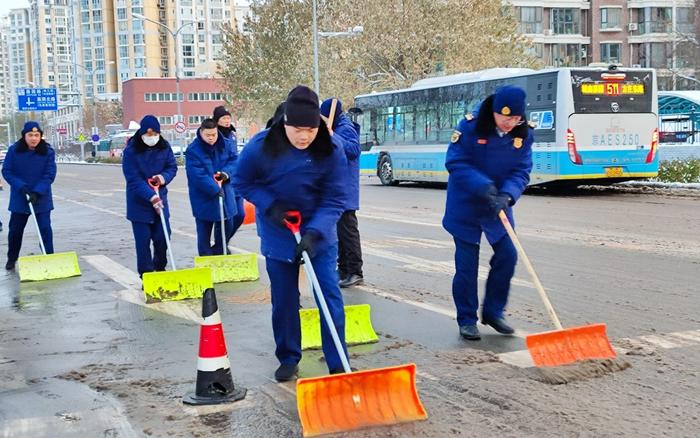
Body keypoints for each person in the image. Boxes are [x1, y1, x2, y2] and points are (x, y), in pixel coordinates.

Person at [234, 85, 349, 382]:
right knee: (284, 299)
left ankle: (339, 363)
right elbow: (243, 181)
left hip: (318, 234)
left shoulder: (331, 148)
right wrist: (271, 207)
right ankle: (288, 356)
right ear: (285, 123)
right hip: (278, 231)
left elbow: (336, 197)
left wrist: (315, 233)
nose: (304, 136)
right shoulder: (261, 147)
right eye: (297, 128)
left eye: (310, 129)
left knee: (329, 295)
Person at [442, 85, 533, 341]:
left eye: (516, 118)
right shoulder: (470, 127)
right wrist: (483, 187)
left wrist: (508, 194)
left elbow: (522, 169)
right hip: (467, 204)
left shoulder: (524, 134)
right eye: (506, 118)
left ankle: (493, 311)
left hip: (498, 205)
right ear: (494, 112)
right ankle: (467, 319)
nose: (510, 123)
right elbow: (456, 162)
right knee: (466, 266)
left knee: (508, 254)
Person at [122, 115, 178, 278]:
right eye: (148, 135)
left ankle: (160, 268)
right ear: (141, 134)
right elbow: (133, 179)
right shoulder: (131, 151)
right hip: (139, 204)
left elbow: (172, 167)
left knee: (163, 237)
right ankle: (146, 275)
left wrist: (163, 178)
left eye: (155, 134)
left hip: (160, 200)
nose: (151, 138)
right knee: (143, 242)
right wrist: (150, 196)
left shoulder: (164, 147)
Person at [320, 98, 364, 288]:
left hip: (345, 189)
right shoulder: (338, 127)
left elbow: (354, 150)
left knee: (348, 231)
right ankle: (344, 268)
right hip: (337, 188)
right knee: (340, 232)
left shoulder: (344, 128)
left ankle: (354, 270)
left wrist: (332, 136)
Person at [2, 121, 57, 270]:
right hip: (21, 197)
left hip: (41, 197)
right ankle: (12, 258)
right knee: (15, 230)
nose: (34, 138)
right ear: (24, 136)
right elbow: (7, 171)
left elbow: (50, 174)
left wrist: (38, 191)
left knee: (45, 229)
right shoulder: (14, 151)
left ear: (41, 136)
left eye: (37, 135)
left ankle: (49, 257)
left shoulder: (47, 151)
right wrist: (21, 186)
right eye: (30, 135)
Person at [186, 118, 242, 256]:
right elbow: (197, 175)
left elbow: (235, 160)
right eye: (208, 135)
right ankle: (206, 259)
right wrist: (214, 188)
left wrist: (225, 174)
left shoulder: (226, 144)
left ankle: (220, 252)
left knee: (226, 225)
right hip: (203, 196)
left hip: (225, 191)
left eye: (214, 135)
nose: (211, 138)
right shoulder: (193, 150)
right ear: (201, 132)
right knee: (204, 230)